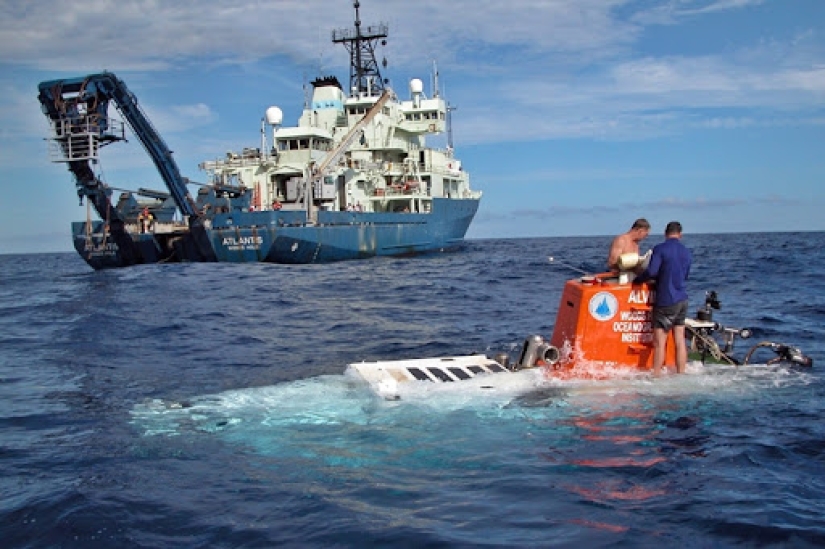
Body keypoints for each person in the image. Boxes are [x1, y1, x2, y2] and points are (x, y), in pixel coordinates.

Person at [635, 221, 692, 375]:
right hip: (682, 299)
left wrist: (638, 279)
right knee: (680, 340)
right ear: (680, 234)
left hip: (666, 299)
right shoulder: (686, 251)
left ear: (665, 233)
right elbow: (685, 275)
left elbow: (652, 272)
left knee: (660, 342)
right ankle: (681, 373)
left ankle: (656, 375)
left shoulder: (660, 249)